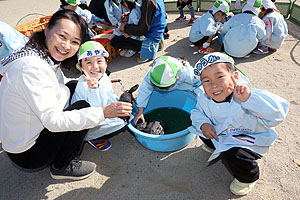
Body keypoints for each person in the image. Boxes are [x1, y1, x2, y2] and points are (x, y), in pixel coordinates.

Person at [0, 10, 132, 181]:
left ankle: (66, 146)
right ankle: (61, 165)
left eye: (75, 41)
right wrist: (103, 112)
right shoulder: (31, 69)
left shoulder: (37, 51)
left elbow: (58, 84)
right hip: (28, 152)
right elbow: (54, 122)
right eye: (62, 36)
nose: (67, 46)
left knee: (75, 86)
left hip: (23, 133)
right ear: (47, 30)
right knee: (84, 107)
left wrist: (85, 83)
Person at [189, 52, 289, 195]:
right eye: (206, 81)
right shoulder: (204, 99)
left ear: (235, 77)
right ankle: (213, 145)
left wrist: (250, 99)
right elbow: (197, 113)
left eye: (219, 77)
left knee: (233, 154)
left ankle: (248, 177)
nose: (214, 85)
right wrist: (204, 124)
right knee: (200, 129)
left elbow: (277, 115)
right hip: (222, 134)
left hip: (250, 139)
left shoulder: (246, 96)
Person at [71, 41, 127, 151]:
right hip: (89, 121)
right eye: (88, 63)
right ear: (80, 66)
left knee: (126, 112)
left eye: (99, 61)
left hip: (102, 111)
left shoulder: (103, 76)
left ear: (106, 63)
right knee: (121, 123)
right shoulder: (84, 86)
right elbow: (97, 111)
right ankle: (91, 137)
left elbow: (108, 95)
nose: (95, 67)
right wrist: (94, 89)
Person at [133, 55, 202, 124]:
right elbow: (144, 91)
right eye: (156, 85)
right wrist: (140, 112)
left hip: (184, 86)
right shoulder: (153, 74)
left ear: (176, 78)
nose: (159, 88)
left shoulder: (188, 74)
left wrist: (196, 92)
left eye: (164, 87)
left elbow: (201, 84)